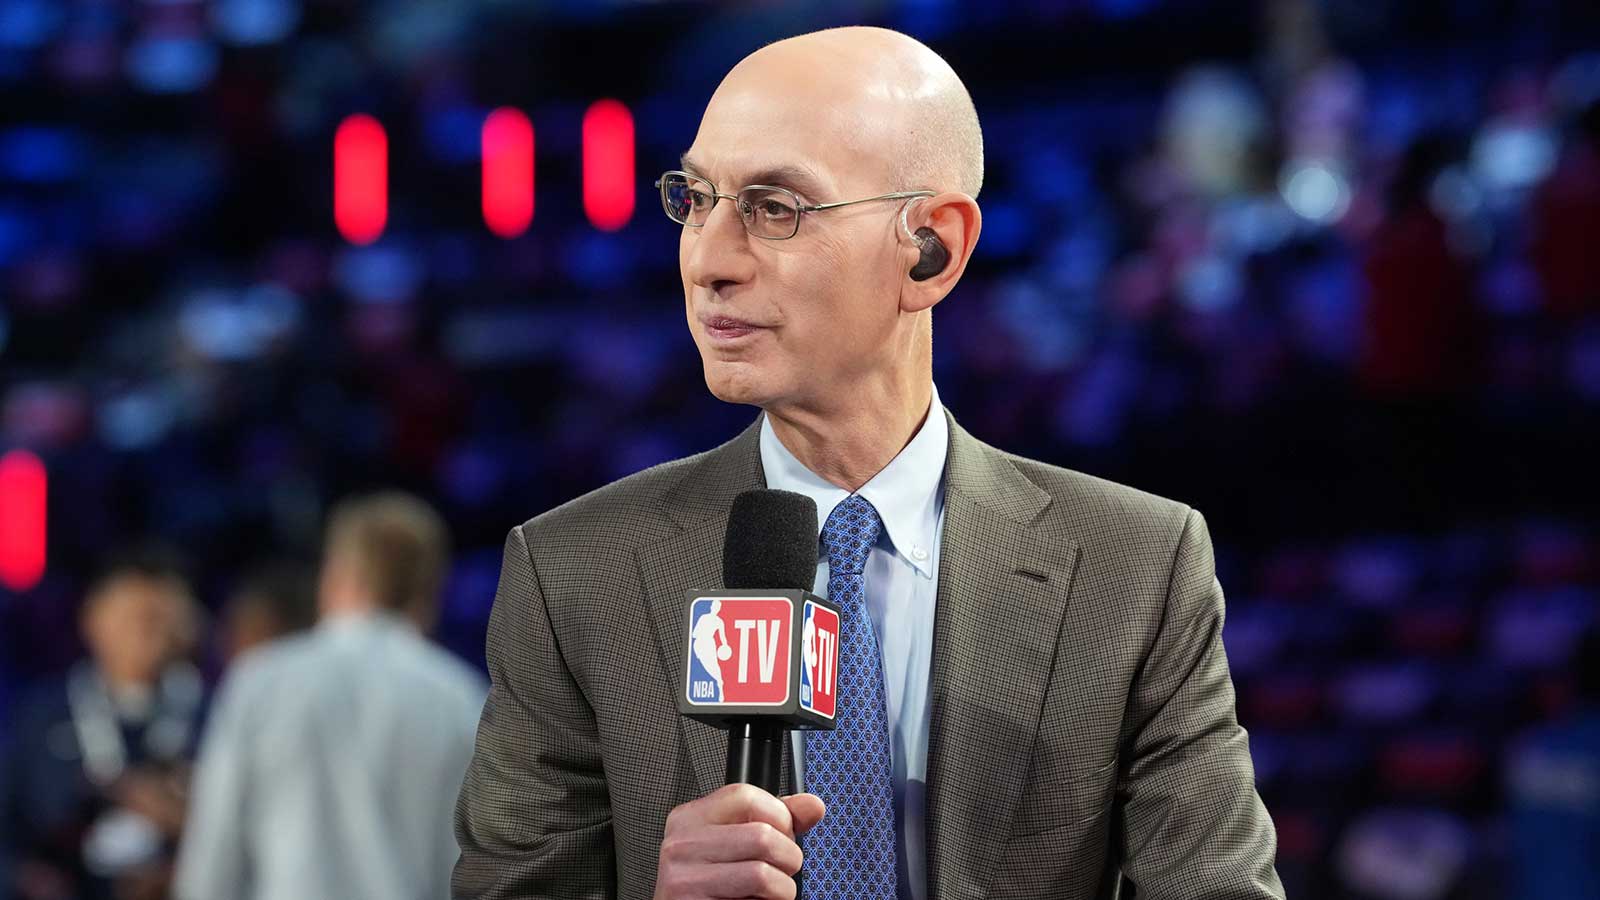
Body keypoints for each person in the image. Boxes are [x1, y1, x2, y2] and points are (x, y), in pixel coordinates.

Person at [452, 26, 1283, 900]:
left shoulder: (1135, 567)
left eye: (775, 207)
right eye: (696, 199)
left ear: (932, 249)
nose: (708, 259)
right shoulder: (573, 573)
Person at [174, 491, 486, 900]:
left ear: (337, 573)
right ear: (431, 587)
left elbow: (216, 850)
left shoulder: (262, 680)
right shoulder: (461, 698)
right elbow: (471, 862)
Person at [0, 546, 205, 900]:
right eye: (133, 616)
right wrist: (25, 878)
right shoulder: (39, 716)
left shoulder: (216, 714)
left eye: (161, 616)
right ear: (92, 618)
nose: (146, 632)